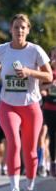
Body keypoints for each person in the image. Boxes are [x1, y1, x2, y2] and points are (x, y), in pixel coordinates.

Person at [0, 14, 52, 191]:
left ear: (28, 30)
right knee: (13, 142)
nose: (19, 31)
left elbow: (48, 75)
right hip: (8, 105)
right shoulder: (2, 50)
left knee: (30, 150)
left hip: (31, 106)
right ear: (11, 30)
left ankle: (30, 190)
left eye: (23, 27)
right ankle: (14, 189)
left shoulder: (35, 51)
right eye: (16, 27)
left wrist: (29, 72)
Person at [41, 47, 56, 177]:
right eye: (53, 56)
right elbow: (39, 87)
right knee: (52, 136)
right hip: (50, 108)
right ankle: (52, 162)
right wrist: (48, 87)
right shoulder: (47, 72)